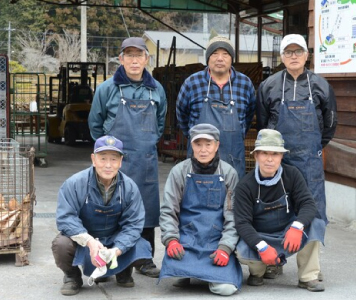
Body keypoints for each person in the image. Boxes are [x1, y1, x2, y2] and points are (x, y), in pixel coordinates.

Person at [256, 34, 338, 283]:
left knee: (310, 212)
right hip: (277, 161)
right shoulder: (268, 85)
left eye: (298, 51)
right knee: (273, 210)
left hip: (309, 162)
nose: (293, 56)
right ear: (281, 57)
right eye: (288, 52)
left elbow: (330, 122)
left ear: (306, 55)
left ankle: (309, 269)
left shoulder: (321, 86)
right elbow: (262, 123)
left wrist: (314, 147)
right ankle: (273, 262)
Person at [88, 37, 167, 278]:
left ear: (146, 59)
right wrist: (108, 156)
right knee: (111, 209)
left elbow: (160, 123)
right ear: (120, 59)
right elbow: (95, 125)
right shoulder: (106, 89)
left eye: (139, 55)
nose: (134, 60)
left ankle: (144, 259)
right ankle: (109, 259)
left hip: (145, 161)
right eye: (129, 55)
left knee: (147, 210)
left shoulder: (157, 89)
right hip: (114, 163)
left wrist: (146, 143)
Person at [51, 135, 152, 296]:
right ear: (93, 159)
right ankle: (72, 276)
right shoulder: (75, 183)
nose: (108, 165)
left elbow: (133, 225)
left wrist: (116, 251)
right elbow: (65, 218)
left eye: (113, 159)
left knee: (141, 245)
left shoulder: (129, 188)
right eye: (102, 158)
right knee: (61, 244)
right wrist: (89, 242)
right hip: (85, 239)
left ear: (120, 162)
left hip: (114, 238)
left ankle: (123, 269)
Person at [234, 129, 325, 291]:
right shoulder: (245, 186)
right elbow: (242, 223)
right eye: (264, 153)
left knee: (316, 223)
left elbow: (308, 205)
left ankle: (307, 276)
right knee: (240, 249)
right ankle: (258, 272)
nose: (270, 159)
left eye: (275, 154)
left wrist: (297, 226)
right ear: (256, 156)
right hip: (261, 235)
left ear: (282, 156)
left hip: (287, 233)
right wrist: (262, 246)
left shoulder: (292, 175)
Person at [159, 123, 242, 296]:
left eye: (208, 144)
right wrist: (171, 239)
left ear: (217, 145)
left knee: (226, 289)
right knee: (175, 273)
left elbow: (233, 217)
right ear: (192, 145)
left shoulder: (229, 173)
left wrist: (226, 247)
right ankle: (188, 272)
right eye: (198, 144)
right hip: (187, 240)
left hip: (215, 242)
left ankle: (203, 272)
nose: (203, 150)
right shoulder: (179, 171)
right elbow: (168, 211)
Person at [176, 36, 256, 179]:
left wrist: (239, 133)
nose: (220, 58)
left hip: (233, 158)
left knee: (232, 199)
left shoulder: (245, 83)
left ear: (232, 58)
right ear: (208, 58)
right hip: (199, 159)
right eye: (214, 53)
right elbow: (181, 114)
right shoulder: (192, 82)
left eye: (225, 54)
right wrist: (194, 136)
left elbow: (249, 114)